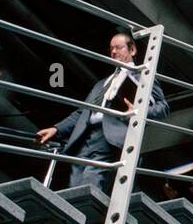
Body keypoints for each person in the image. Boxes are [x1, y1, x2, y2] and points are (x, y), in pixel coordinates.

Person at [35, 30, 169, 193]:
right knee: (74, 183)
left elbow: (163, 106)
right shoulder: (101, 84)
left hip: (111, 136)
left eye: (118, 48)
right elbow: (81, 113)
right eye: (111, 49)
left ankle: (89, 215)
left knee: (92, 180)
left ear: (132, 50)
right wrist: (56, 129)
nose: (113, 52)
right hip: (86, 136)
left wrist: (139, 111)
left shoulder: (143, 75)